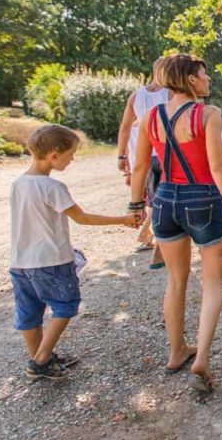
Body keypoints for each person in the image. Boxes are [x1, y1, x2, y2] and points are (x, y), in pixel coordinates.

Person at [129, 54, 222, 392]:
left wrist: (136, 206)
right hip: (203, 200)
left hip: (164, 201)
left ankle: (176, 351)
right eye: (204, 74)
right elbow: (218, 167)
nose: (208, 80)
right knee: (211, 283)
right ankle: (202, 358)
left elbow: (139, 169)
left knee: (176, 281)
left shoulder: (150, 117)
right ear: (191, 80)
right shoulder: (208, 115)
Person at [10, 124, 141, 381]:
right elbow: (81, 218)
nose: (73, 160)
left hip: (20, 261)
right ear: (54, 155)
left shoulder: (18, 184)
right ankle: (40, 360)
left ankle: (42, 358)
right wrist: (122, 220)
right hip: (51, 260)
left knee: (30, 312)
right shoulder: (52, 188)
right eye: (70, 155)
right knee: (65, 305)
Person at [116, 57, 171, 269]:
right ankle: (151, 236)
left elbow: (125, 127)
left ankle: (147, 233)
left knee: (153, 197)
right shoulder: (170, 94)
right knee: (161, 197)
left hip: (140, 156)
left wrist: (122, 156)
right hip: (162, 153)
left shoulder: (136, 96)